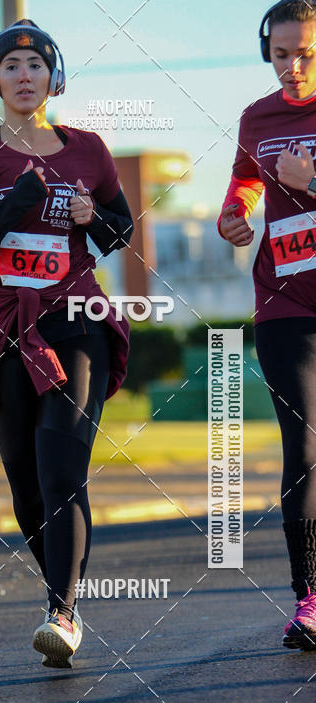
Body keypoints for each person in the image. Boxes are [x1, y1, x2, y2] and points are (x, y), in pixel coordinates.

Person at [0, 19, 134, 667]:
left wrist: (92, 218)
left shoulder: (88, 150)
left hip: (75, 324)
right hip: (2, 330)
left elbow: (119, 233)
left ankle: (63, 613)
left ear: (56, 77)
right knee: (26, 487)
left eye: (36, 64)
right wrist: (6, 212)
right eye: (12, 65)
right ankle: (59, 590)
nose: (25, 76)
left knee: (61, 471)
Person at [219, 0, 316, 650]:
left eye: (306, 53)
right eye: (282, 53)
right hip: (285, 302)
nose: (293, 66)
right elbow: (244, 182)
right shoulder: (257, 117)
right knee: (304, 449)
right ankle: (309, 599)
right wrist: (234, 212)